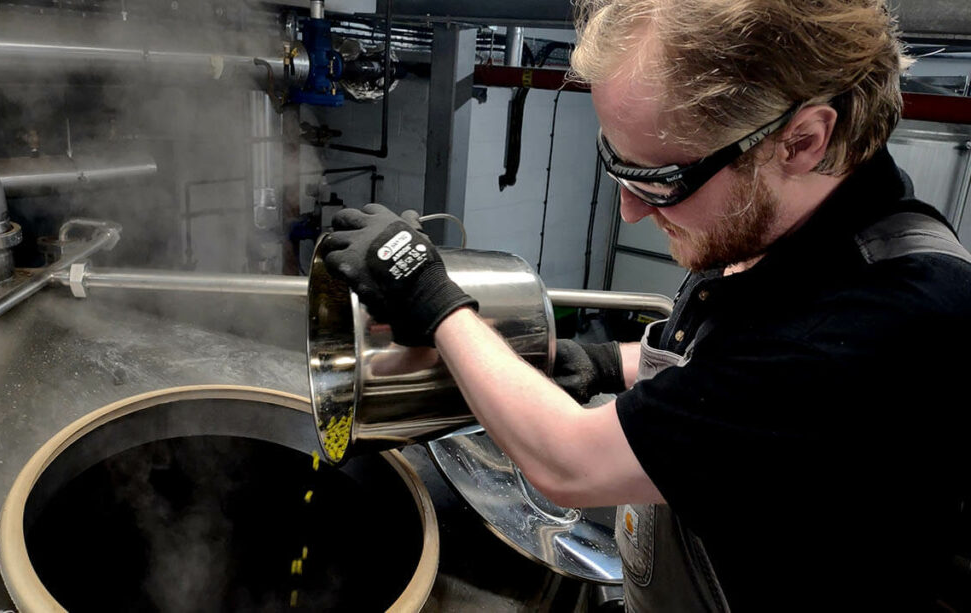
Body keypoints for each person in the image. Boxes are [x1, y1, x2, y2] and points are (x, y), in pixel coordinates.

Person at [322, 0, 971, 610]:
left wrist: (431, 296)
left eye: (662, 180)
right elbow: (729, 373)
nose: (631, 210)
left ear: (801, 141)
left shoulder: (886, 323)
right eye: (619, 168)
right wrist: (606, 361)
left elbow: (570, 464)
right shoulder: (776, 226)